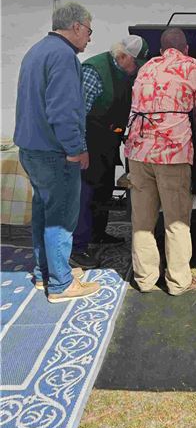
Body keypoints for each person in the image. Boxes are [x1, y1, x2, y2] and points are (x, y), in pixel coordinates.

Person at [14, 2, 100, 303]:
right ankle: (61, 283)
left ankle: (45, 273)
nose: (89, 37)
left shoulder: (36, 51)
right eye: (89, 30)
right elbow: (64, 111)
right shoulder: (64, 56)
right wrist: (76, 149)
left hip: (31, 149)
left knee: (43, 213)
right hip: (55, 152)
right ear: (76, 26)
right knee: (61, 218)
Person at [124, 28, 196, 296]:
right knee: (176, 219)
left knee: (142, 219)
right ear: (186, 49)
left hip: (138, 151)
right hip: (172, 152)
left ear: (160, 51)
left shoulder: (146, 67)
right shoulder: (193, 66)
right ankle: (178, 281)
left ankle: (145, 279)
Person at [70, 34, 150, 269]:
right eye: (136, 63)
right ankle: (77, 248)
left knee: (103, 190)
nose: (138, 69)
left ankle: (97, 234)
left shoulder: (125, 73)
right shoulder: (94, 71)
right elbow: (77, 116)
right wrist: (81, 150)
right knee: (85, 193)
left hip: (108, 140)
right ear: (123, 56)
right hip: (90, 140)